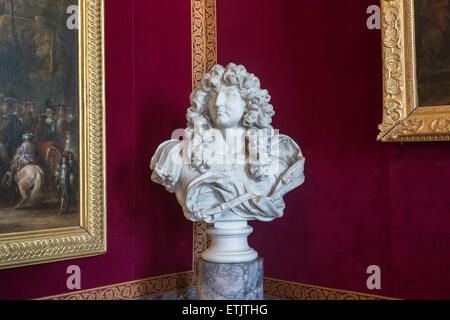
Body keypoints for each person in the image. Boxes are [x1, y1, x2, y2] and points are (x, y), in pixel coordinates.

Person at [150, 63, 305, 223]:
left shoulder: (278, 154)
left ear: (248, 102)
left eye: (229, 94)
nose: (217, 103)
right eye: (212, 95)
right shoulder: (177, 155)